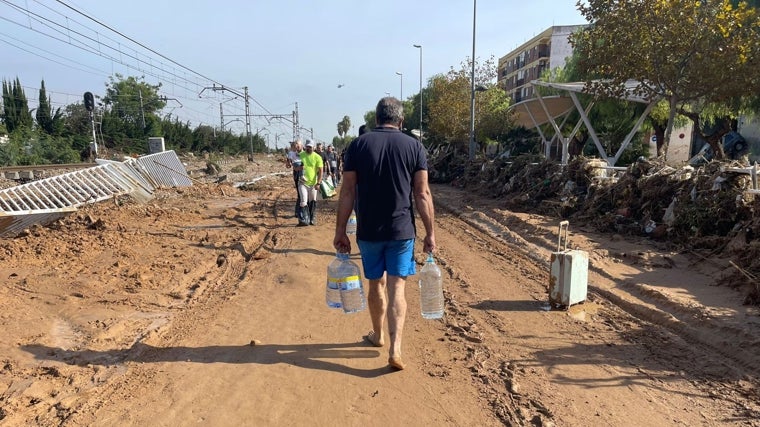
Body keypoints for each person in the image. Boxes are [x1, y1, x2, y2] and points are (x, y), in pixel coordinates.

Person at [333, 97, 436, 371]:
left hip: (368, 231)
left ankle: (377, 335)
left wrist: (340, 230)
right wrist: (430, 232)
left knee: (376, 285)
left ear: (377, 119)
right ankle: (396, 348)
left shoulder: (357, 145)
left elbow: (347, 192)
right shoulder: (415, 147)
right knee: (397, 288)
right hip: (402, 231)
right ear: (401, 121)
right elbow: (422, 193)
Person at [298, 139, 324, 226]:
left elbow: (320, 171)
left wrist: (319, 183)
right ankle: (303, 218)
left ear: (313, 147)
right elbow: (294, 164)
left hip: (313, 184)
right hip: (303, 183)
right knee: (303, 201)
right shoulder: (301, 155)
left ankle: (312, 217)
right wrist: (297, 167)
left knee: (312, 201)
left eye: (310, 147)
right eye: (307, 147)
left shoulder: (318, 157)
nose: (308, 148)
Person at [285, 140, 304, 218]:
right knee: (300, 193)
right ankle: (298, 212)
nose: (297, 147)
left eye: (298, 146)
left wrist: (301, 167)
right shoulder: (291, 153)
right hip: (297, 174)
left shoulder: (305, 154)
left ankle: (300, 211)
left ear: (302, 146)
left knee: (303, 194)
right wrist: (289, 163)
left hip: (305, 173)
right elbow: (288, 165)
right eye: (296, 146)